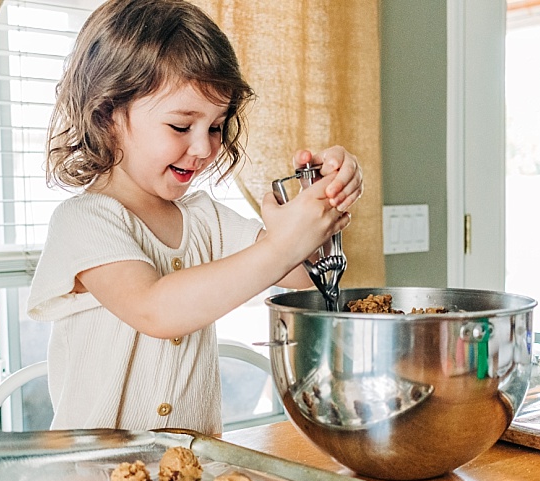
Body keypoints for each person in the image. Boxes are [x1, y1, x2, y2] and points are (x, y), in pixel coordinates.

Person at [26, 0, 362, 435]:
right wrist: (282, 243)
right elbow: (156, 311)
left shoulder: (205, 219)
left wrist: (322, 204)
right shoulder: (85, 221)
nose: (204, 148)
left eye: (216, 126)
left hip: (188, 476)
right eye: (182, 127)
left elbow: (304, 274)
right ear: (108, 115)